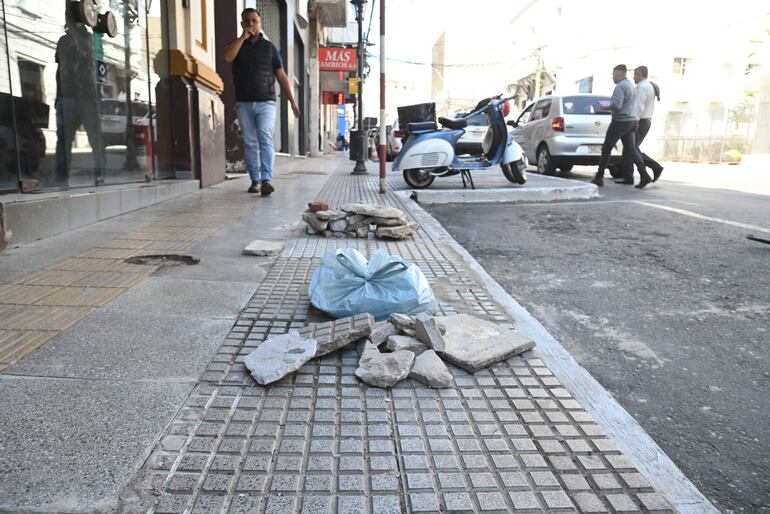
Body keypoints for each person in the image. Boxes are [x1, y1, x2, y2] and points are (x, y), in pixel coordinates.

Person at [223, 8, 300, 196]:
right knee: (250, 142)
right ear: (242, 24)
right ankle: (255, 180)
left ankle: (267, 179)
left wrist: (292, 101)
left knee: (265, 138)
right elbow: (227, 57)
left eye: (254, 21)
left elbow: (281, 76)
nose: (251, 24)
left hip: (266, 102)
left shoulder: (270, 48)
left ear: (260, 23)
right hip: (244, 102)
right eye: (247, 21)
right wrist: (242, 38)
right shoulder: (236, 45)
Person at [54, 13, 104, 187]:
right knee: (64, 140)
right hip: (68, 97)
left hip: (86, 97)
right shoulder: (64, 41)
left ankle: (100, 175)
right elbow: (62, 67)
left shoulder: (90, 40)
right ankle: (61, 178)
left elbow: (96, 67)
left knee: (95, 138)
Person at [591, 64, 651, 188]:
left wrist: (605, 106)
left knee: (606, 149)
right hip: (632, 121)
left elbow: (617, 105)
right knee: (631, 149)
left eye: (613, 74)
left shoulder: (620, 86)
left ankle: (599, 177)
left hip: (620, 122)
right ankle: (644, 175)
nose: (612, 77)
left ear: (619, 74)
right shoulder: (631, 85)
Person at [617, 66, 663, 183]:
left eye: (635, 74)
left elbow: (638, 107)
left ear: (640, 74)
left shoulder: (642, 87)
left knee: (631, 149)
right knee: (631, 148)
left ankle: (652, 168)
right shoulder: (649, 86)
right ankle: (629, 176)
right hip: (645, 121)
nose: (633, 77)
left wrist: (630, 122)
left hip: (639, 121)